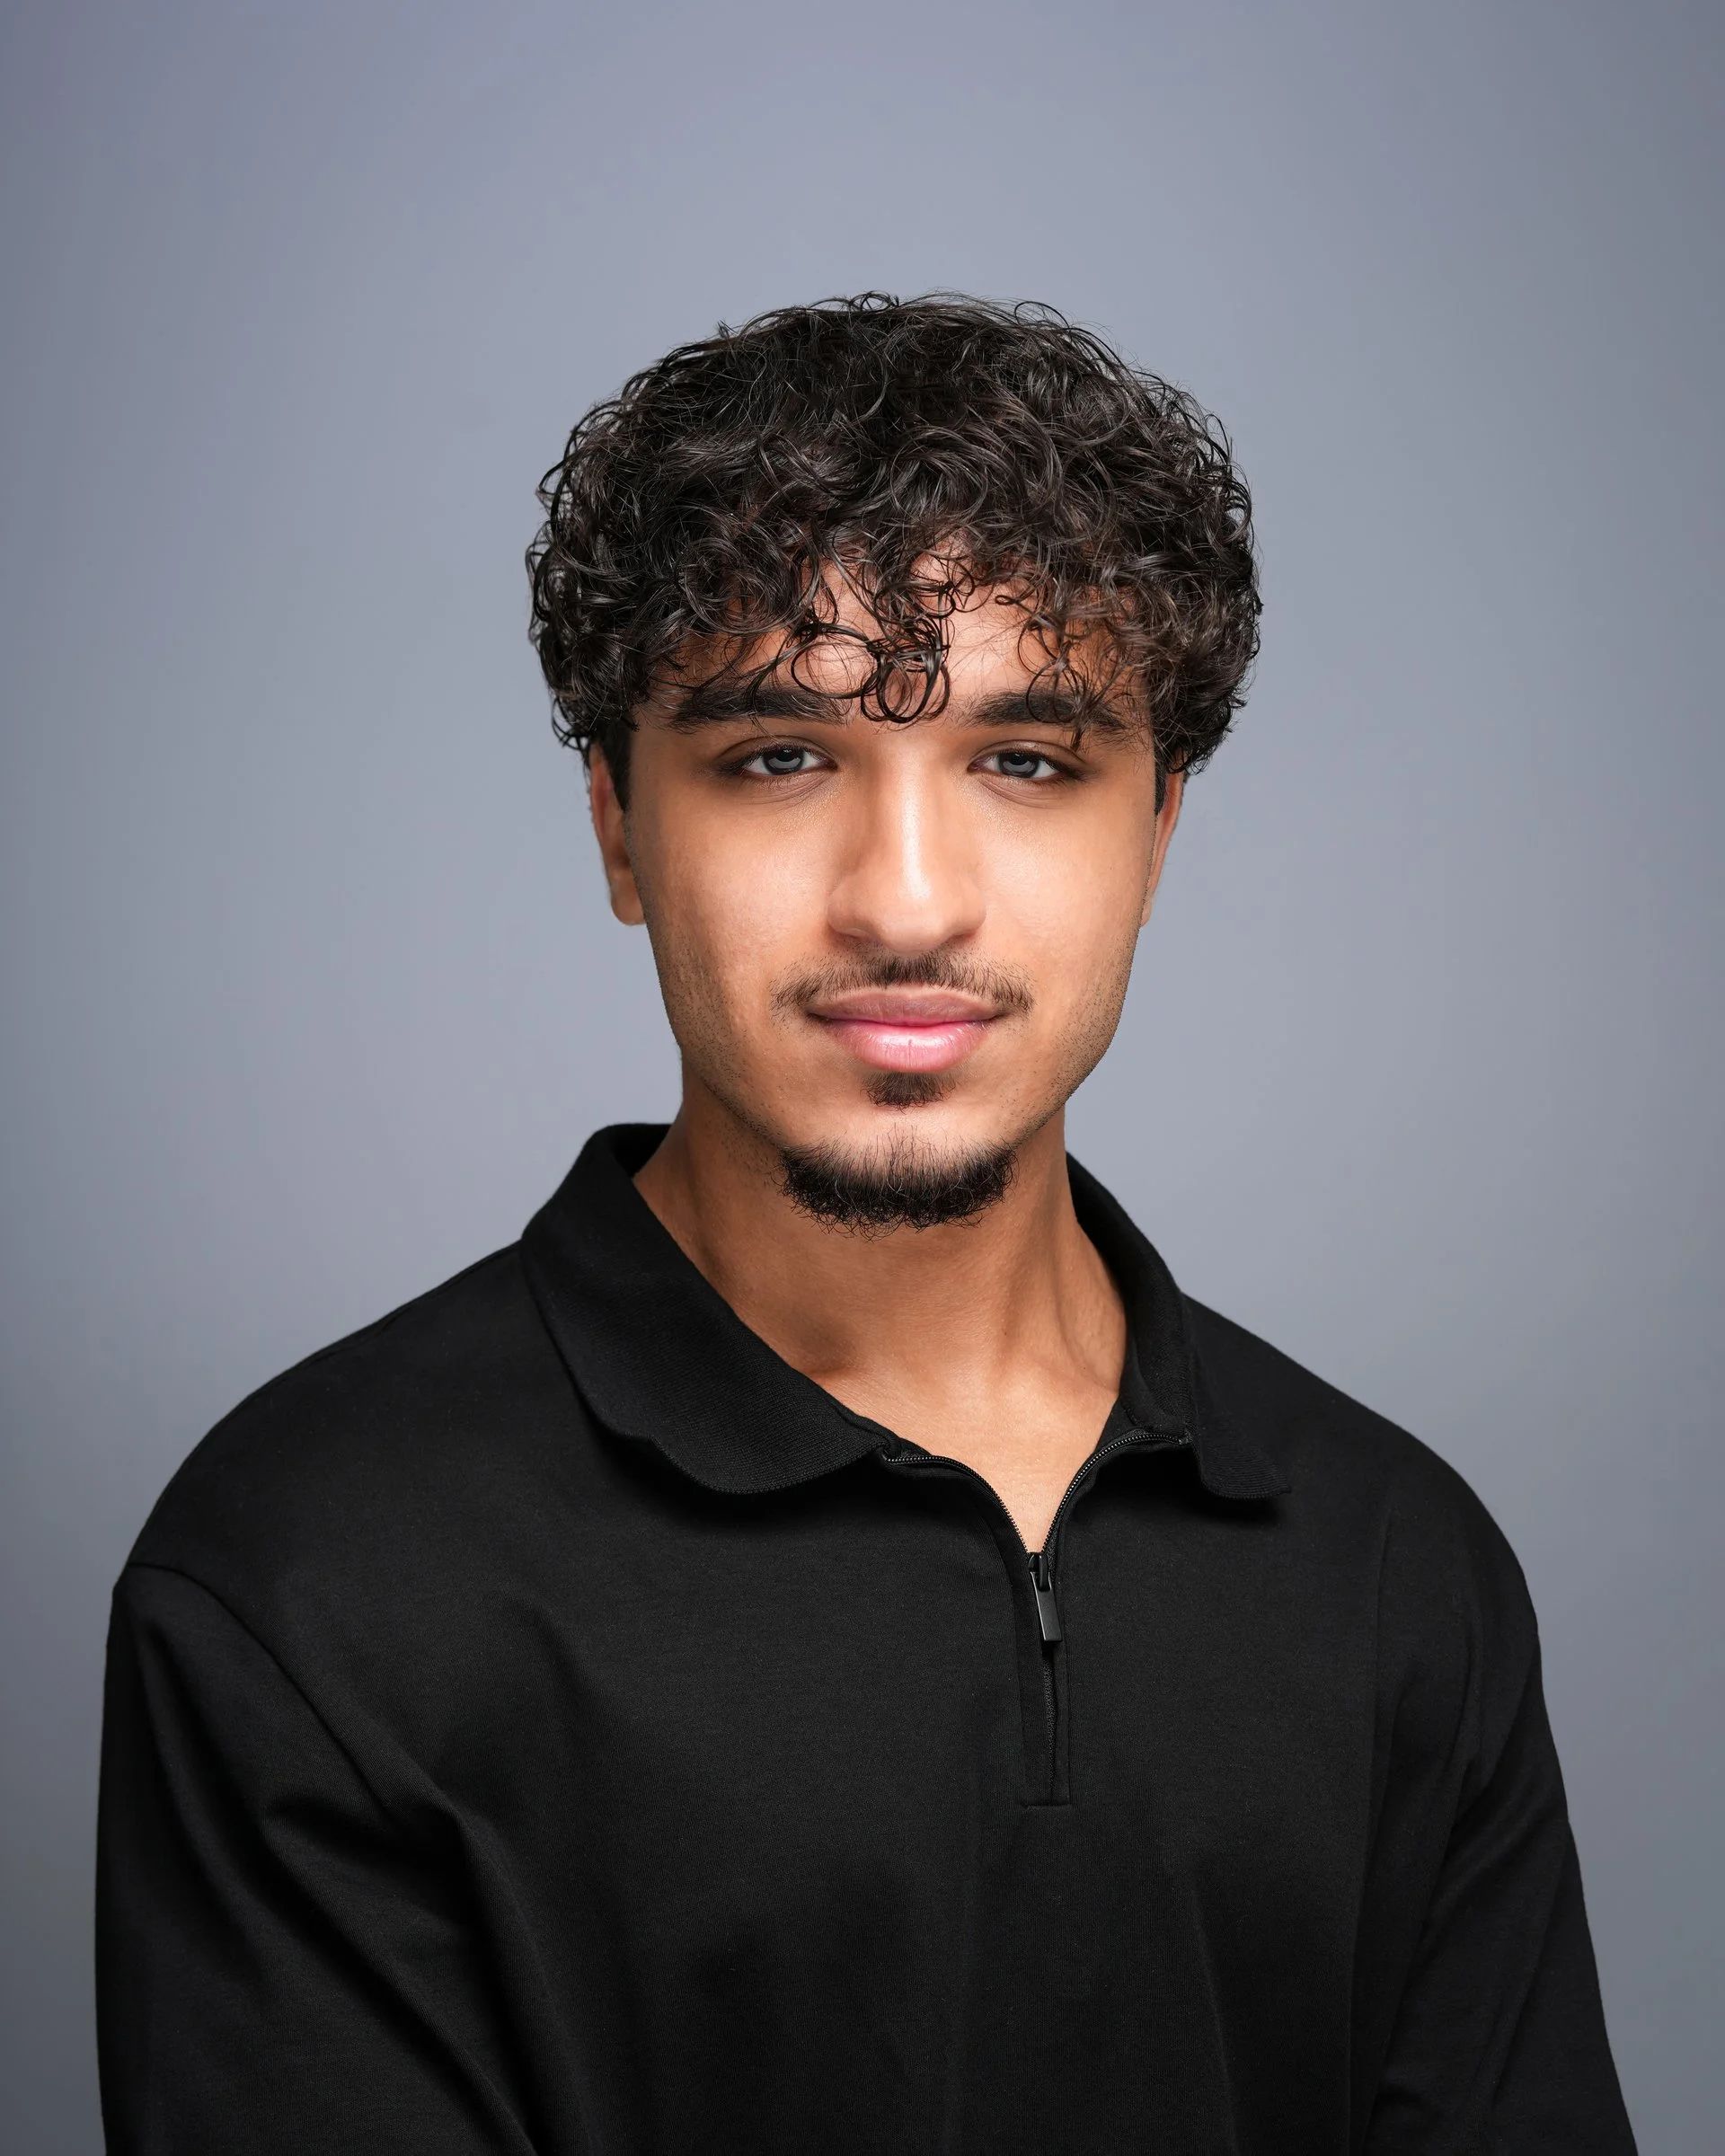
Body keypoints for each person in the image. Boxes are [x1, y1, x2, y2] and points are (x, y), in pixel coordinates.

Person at [94, 292, 1639, 2153]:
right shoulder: (312, 1583)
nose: (906, 903)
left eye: (1027, 760)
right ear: (615, 825)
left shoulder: (1399, 1570)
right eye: (777, 757)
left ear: (1158, 830)